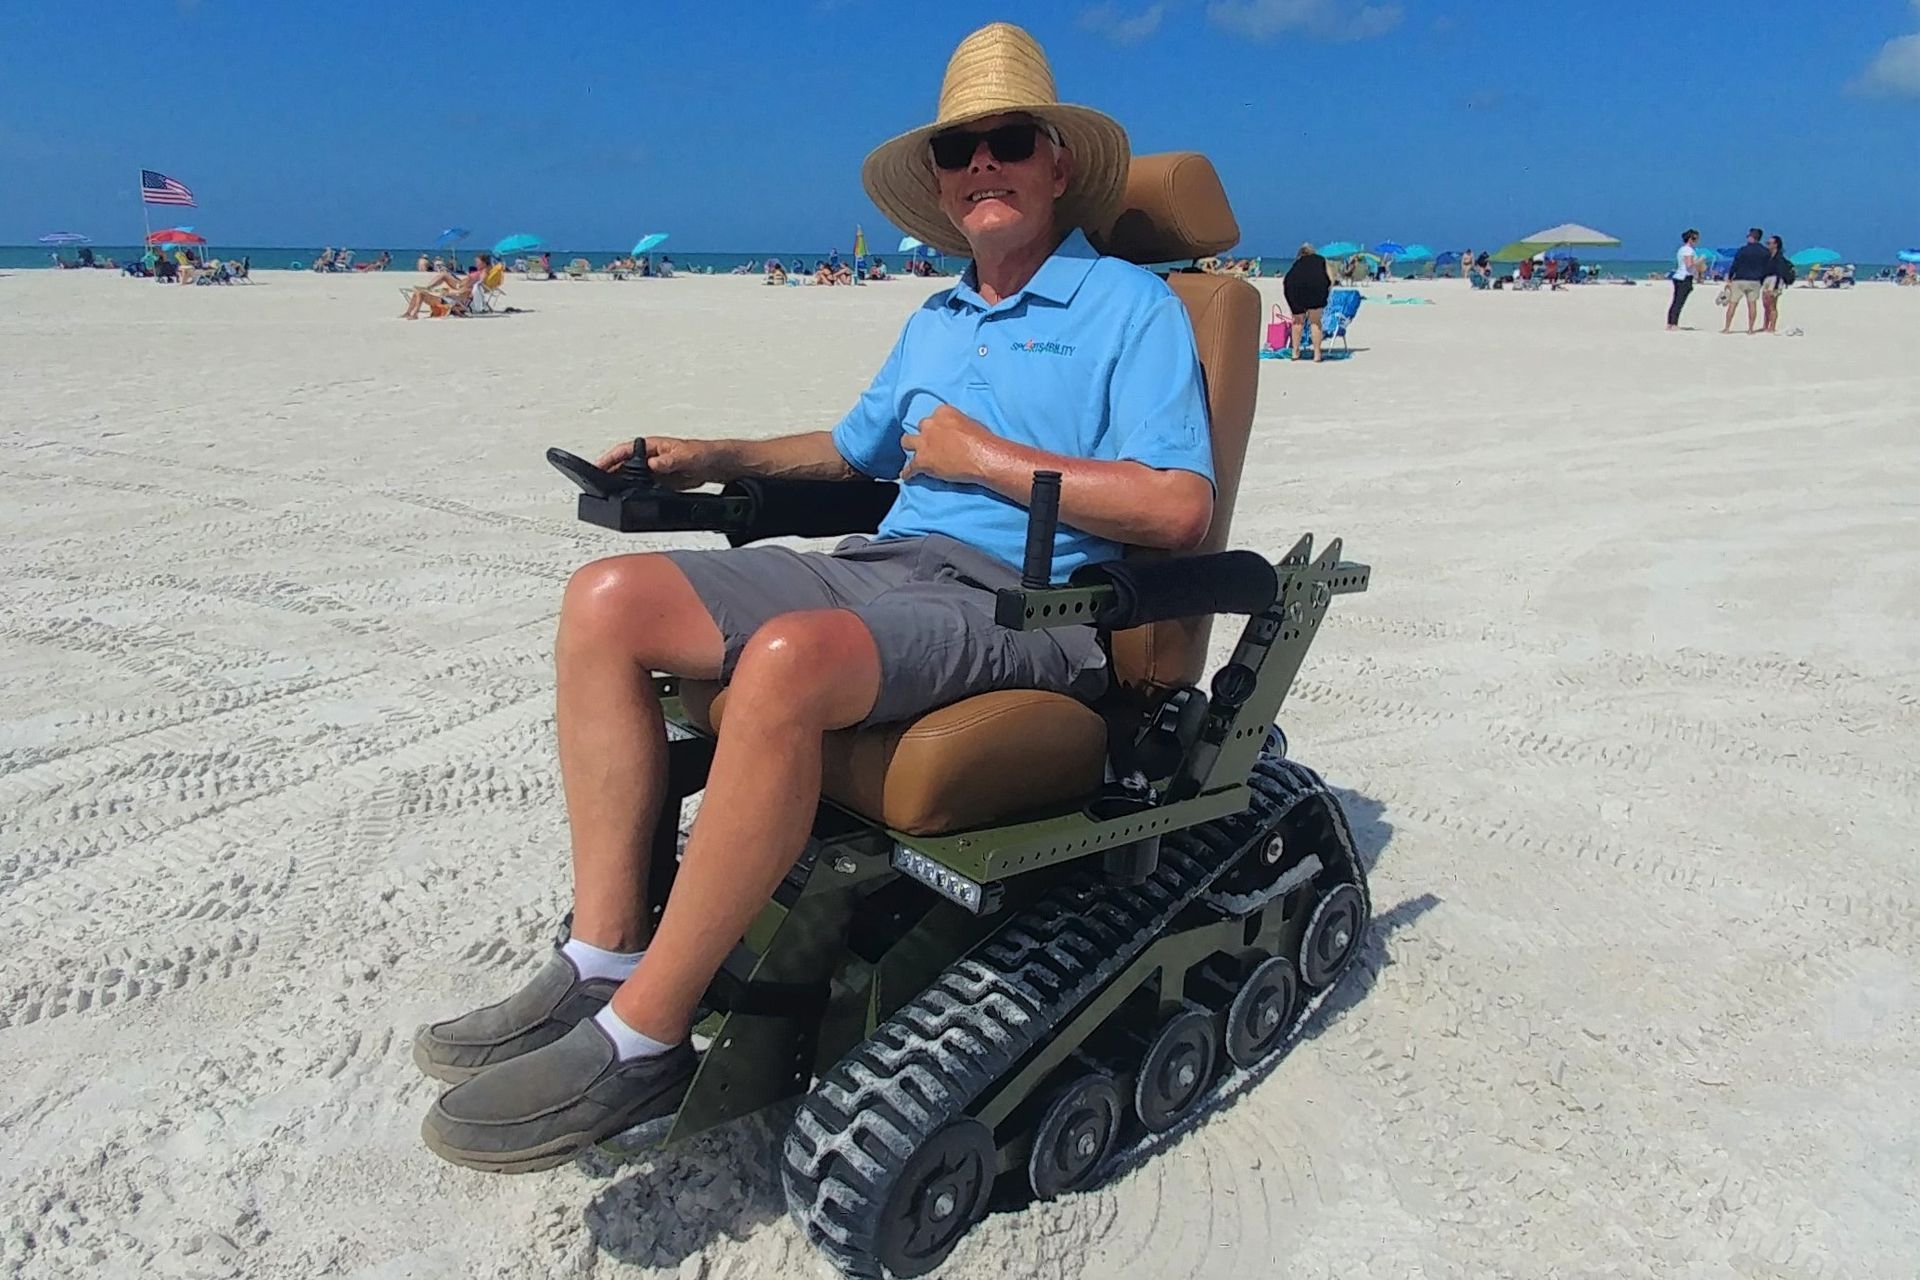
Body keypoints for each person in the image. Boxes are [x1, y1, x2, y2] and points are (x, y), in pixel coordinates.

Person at [412, 20, 1214, 1173]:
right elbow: (857, 452)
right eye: (959, 150)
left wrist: (985, 459)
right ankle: (605, 955)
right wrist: (712, 452)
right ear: (940, 185)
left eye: (1007, 140)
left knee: (787, 657)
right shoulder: (936, 317)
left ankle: (645, 1040)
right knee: (606, 599)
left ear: (1057, 164)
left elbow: (1179, 508)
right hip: (890, 571)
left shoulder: (1130, 307)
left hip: (1034, 607)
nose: (981, 163)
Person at [1283, 241, 1333, 363]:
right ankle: (1317, 354)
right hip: (1316, 288)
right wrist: (1326, 291)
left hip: (1294, 287)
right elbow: (1331, 279)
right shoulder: (1321, 260)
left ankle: (1295, 352)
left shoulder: (1298, 262)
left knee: (1297, 321)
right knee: (1315, 322)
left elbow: (1288, 278)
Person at [1724, 227, 1770, 334]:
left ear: (1751, 237)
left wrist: (1730, 278)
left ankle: (1727, 328)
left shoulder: (1743, 250)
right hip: (1755, 280)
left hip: (1740, 279)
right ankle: (1750, 329)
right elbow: (1766, 267)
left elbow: (1735, 265)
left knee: (1733, 303)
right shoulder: (1765, 252)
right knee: (1752, 304)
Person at [1667, 229, 1702, 330]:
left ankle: (1671, 323)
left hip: (1680, 276)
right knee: (1679, 302)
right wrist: (1699, 261)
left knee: (1676, 301)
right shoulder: (1688, 250)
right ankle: (1673, 324)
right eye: (1696, 239)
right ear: (1691, 239)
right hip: (1684, 277)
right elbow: (1689, 265)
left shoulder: (1682, 249)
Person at [1761, 235, 1794, 333]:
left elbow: (1779, 273)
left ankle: (1772, 327)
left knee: (1772, 305)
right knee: (1765, 304)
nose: (1768, 245)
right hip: (1767, 279)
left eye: (1769, 243)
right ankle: (1765, 326)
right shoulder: (1768, 256)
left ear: (1776, 244)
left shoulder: (1779, 257)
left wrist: (1774, 287)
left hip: (1775, 280)